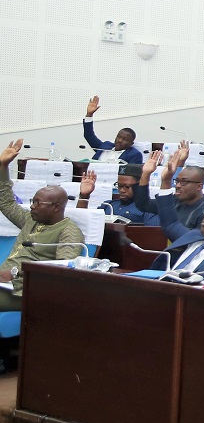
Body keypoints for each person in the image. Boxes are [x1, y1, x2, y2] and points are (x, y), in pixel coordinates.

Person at [0, 138, 85, 311]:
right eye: (33, 201)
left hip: (26, 292)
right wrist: (3, 167)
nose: (32, 206)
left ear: (56, 207)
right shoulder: (31, 219)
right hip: (5, 285)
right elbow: (6, 203)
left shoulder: (69, 232)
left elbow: (61, 269)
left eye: (38, 203)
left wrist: (16, 272)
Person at [134, 146, 204, 228]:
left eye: (184, 182)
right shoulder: (174, 200)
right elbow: (143, 205)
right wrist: (146, 174)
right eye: (177, 181)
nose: (178, 185)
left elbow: (193, 239)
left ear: (199, 186)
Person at [77, 165, 159, 224]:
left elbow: (151, 235)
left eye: (127, 186)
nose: (122, 190)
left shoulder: (149, 209)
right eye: (119, 186)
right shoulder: (108, 205)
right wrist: (84, 195)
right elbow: (82, 222)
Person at [81, 95, 142, 163]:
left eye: (125, 139)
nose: (120, 140)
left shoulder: (134, 154)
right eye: (118, 137)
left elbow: (131, 172)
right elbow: (89, 135)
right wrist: (89, 115)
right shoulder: (106, 145)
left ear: (131, 143)